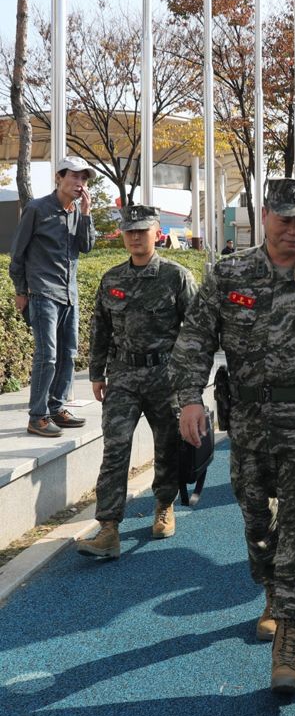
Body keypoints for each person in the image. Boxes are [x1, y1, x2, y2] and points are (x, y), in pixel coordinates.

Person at [171, 178, 295, 696]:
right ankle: (272, 589)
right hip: (250, 427)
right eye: (285, 219)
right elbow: (194, 338)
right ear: (264, 217)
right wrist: (189, 399)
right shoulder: (229, 274)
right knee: (258, 525)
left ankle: (289, 645)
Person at [76, 206, 198, 559]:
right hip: (124, 376)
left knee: (168, 445)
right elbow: (100, 328)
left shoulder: (177, 276)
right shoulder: (112, 278)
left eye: (142, 231)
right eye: (129, 231)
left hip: (166, 375)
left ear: (157, 234)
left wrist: (190, 381)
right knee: (115, 449)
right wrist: (96, 372)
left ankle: (164, 505)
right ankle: (109, 527)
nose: (135, 237)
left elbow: (195, 331)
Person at [9, 155, 97, 437]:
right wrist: (21, 291)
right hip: (43, 292)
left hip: (69, 294)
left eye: (83, 178)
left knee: (68, 354)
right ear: (59, 177)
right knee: (47, 355)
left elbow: (86, 247)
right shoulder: (36, 209)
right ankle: (37, 416)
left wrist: (86, 213)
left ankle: (57, 407)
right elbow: (18, 253)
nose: (79, 182)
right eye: (74, 176)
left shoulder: (76, 212)